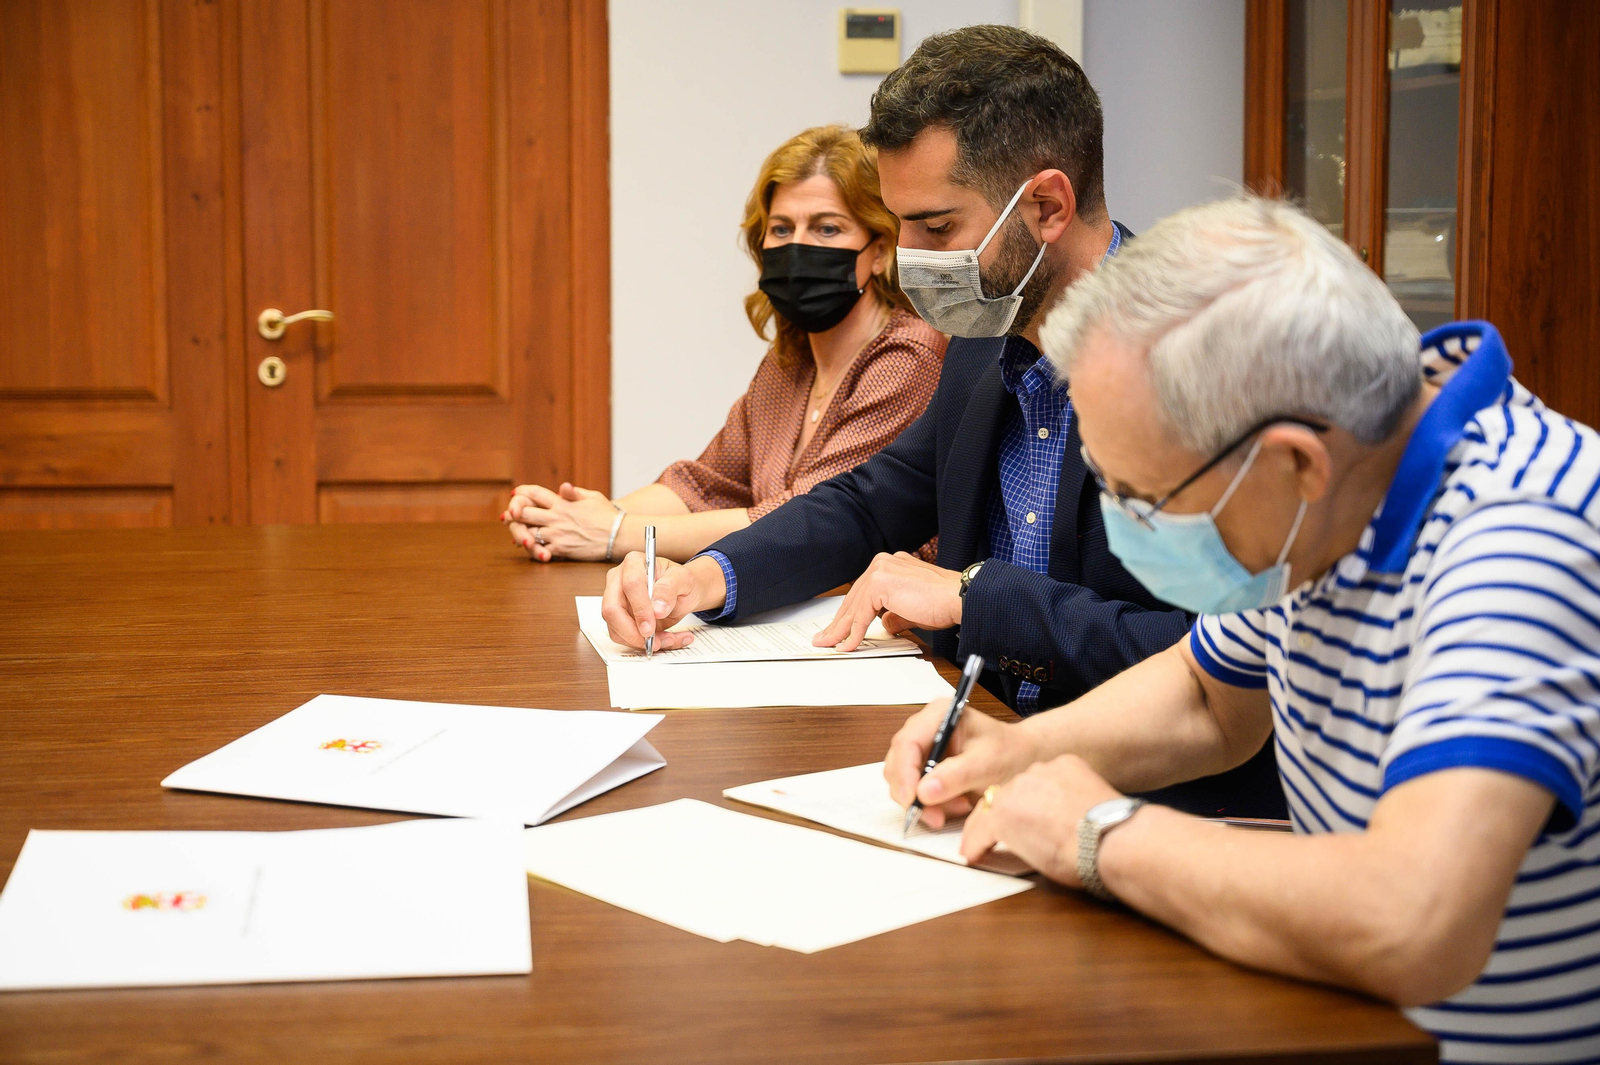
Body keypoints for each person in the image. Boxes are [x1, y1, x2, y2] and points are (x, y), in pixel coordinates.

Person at [884, 194, 1600, 1063]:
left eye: (1147, 499)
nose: (1128, 525)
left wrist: (1100, 832)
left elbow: (1413, 918)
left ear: (1297, 463)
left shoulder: (1524, 539)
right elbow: (1206, 696)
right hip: (1332, 1013)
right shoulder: (1346, 464)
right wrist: (1015, 751)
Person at [601, 26, 1282, 818]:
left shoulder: (1206, 363)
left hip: (1153, 801)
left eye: (938, 228)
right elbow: (873, 500)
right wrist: (708, 577)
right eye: (900, 227)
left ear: (1047, 207)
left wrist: (976, 595)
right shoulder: (984, 332)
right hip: (973, 761)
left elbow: (1228, 659)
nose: (909, 259)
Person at [504, 125, 944, 564]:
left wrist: (614, 533)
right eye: (781, 228)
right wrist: (572, 516)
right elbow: (702, 486)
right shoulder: (789, 362)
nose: (797, 248)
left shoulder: (909, 357)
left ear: (880, 251)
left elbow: (807, 522)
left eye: (827, 228)